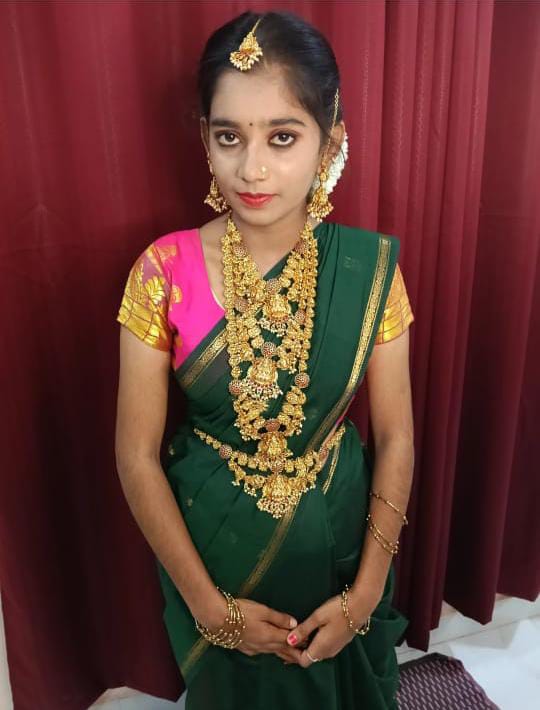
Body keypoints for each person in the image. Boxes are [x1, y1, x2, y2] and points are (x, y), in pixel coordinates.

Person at [115, 10, 415, 710]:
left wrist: (366, 593)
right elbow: (134, 456)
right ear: (205, 139)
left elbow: (397, 435)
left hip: (341, 544)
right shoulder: (162, 272)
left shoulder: (368, 272)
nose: (251, 169)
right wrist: (209, 607)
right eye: (229, 137)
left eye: (283, 137)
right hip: (216, 552)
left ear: (328, 141)